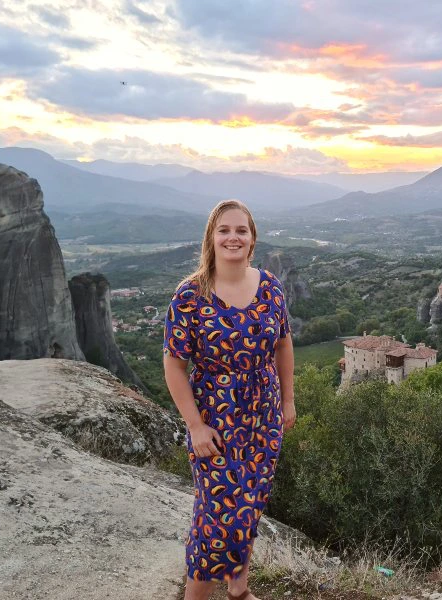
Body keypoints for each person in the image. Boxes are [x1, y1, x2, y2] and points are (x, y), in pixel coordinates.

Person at [162, 199, 295, 600]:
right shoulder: (189, 296)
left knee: (250, 503)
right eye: (224, 230)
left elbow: (284, 344)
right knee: (216, 518)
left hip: (264, 416)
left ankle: (238, 588)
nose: (233, 237)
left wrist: (288, 401)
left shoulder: (269, 285)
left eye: (241, 230)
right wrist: (195, 425)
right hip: (215, 423)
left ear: (252, 239)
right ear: (211, 238)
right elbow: (173, 366)